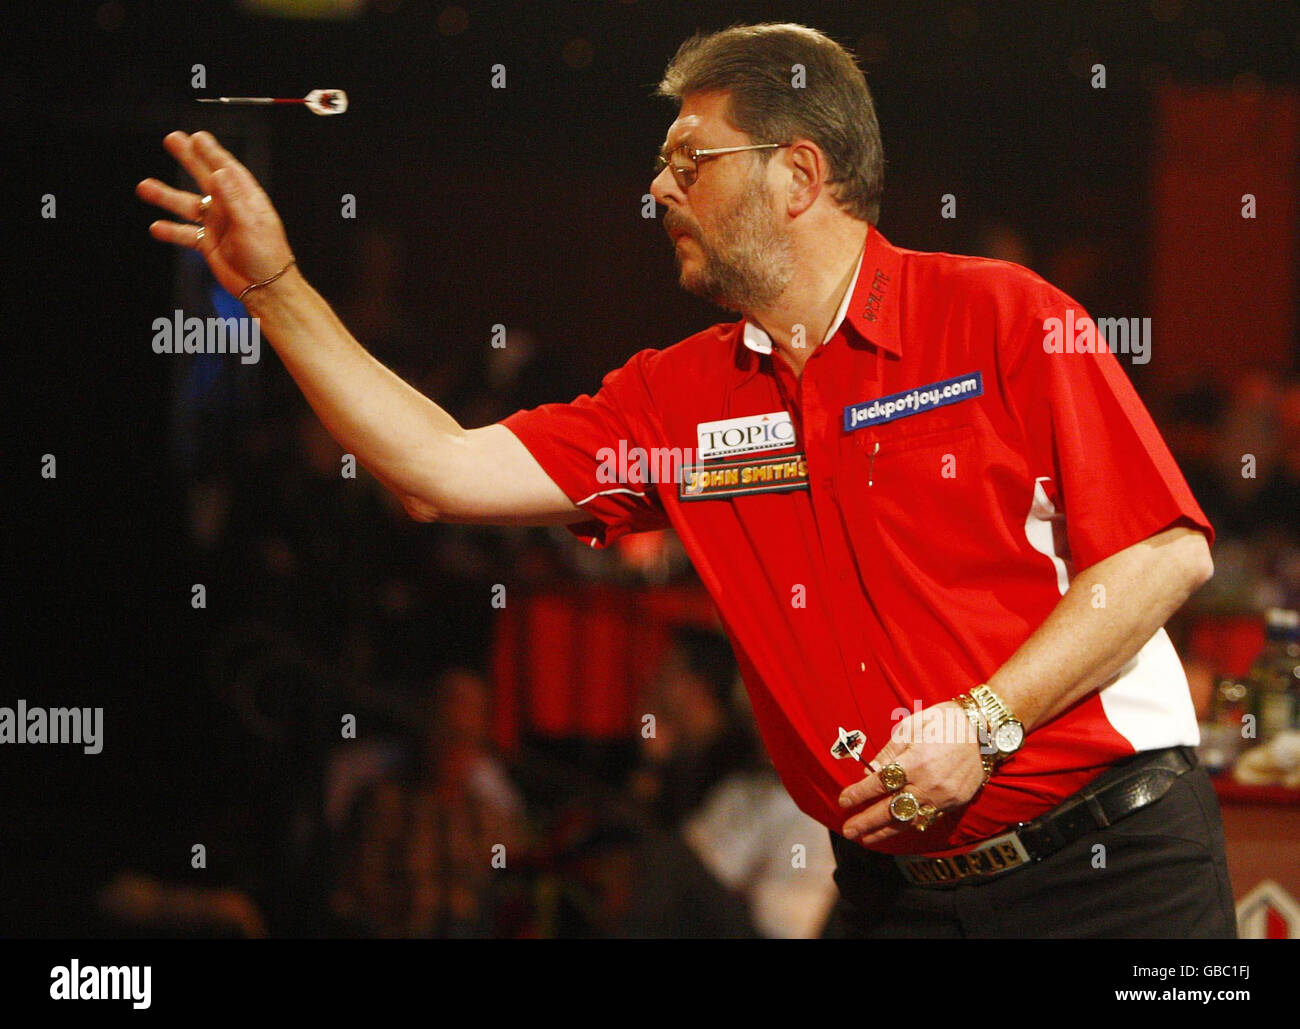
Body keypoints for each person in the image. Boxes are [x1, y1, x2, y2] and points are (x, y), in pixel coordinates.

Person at [137, 22, 1234, 938]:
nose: (658, 187)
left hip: (1110, 871)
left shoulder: (999, 314)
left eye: (687, 159)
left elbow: (1161, 552)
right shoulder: (679, 398)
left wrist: (986, 720)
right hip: (897, 896)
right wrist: (274, 289)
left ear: (798, 172)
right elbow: (435, 469)